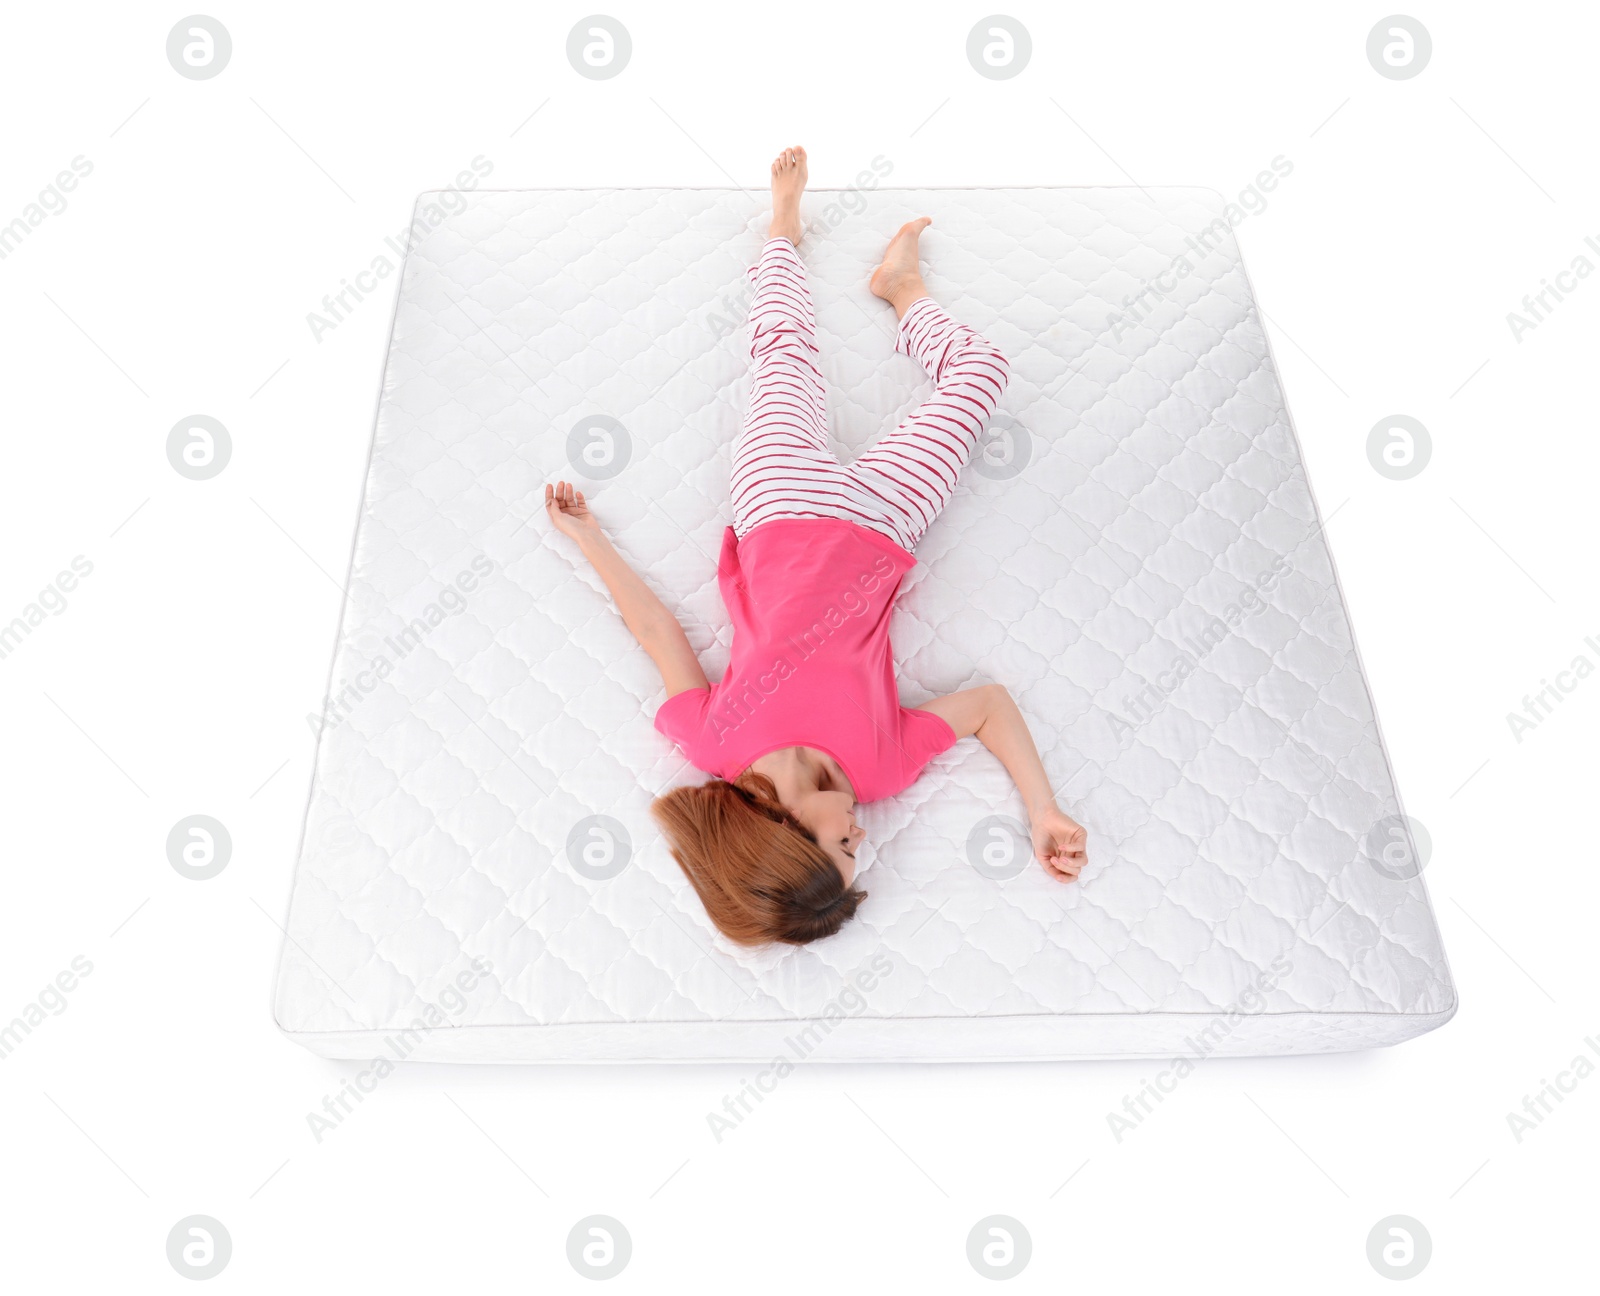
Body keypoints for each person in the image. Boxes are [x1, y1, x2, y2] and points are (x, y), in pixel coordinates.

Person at [545, 146, 1086, 946]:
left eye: (841, 847)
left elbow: (656, 631)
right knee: (981, 372)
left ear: (782, 826)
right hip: (884, 521)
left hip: (777, 502)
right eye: (856, 857)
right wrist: (1042, 808)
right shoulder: (882, 768)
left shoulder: (716, 744)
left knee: (783, 350)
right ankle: (902, 291)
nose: (862, 838)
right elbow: (989, 706)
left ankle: (782, 231)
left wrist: (587, 537)